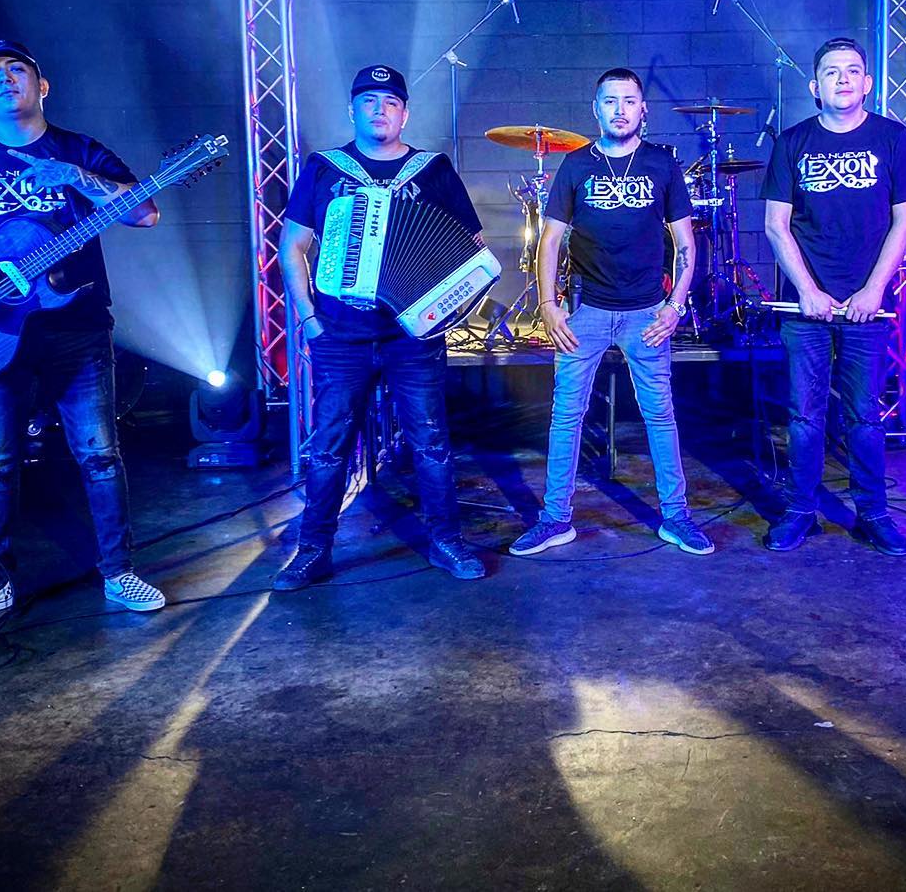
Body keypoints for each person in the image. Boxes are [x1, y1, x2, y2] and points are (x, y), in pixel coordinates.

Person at [0, 39, 166, 630]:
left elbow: (144, 213)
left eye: (16, 69)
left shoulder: (79, 150)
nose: (5, 79)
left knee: (99, 456)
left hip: (77, 329)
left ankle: (119, 572)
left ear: (40, 85)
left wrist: (75, 176)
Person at [277, 64, 486, 587]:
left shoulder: (431, 170)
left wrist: (444, 309)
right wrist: (308, 319)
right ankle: (313, 550)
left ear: (405, 114)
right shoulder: (324, 168)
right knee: (328, 447)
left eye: (390, 102)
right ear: (352, 110)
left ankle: (446, 542)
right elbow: (292, 247)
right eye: (369, 101)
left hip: (411, 337)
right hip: (340, 333)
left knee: (431, 442)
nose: (380, 110)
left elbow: (471, 250)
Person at [511, 67, 710, 556]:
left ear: (643, 109)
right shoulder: (576, 165)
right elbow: (550, 241)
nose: (620, 110)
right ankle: (555, 520)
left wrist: (676, 305)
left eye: (629, 101)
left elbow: (685, 243)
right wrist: (548, 305)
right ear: (596, 109)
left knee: (660, 416)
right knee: (566, 417)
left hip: (647, 314)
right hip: (587, 311)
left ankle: (676, 518)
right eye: (610, 101)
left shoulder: (662, 165)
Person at [762, 37, 906, 555]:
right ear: (815, 86)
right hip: (806, 309)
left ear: (868, 82)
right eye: (832, 72)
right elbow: (776, 225)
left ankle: (873, 513)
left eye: (853, 70)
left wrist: (874, 289)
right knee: (804, 416)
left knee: (864, 416)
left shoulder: (892, 137)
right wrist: (807, 290)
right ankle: (800, 511)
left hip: (866, 306)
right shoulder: (792, 142)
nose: (843, 79)